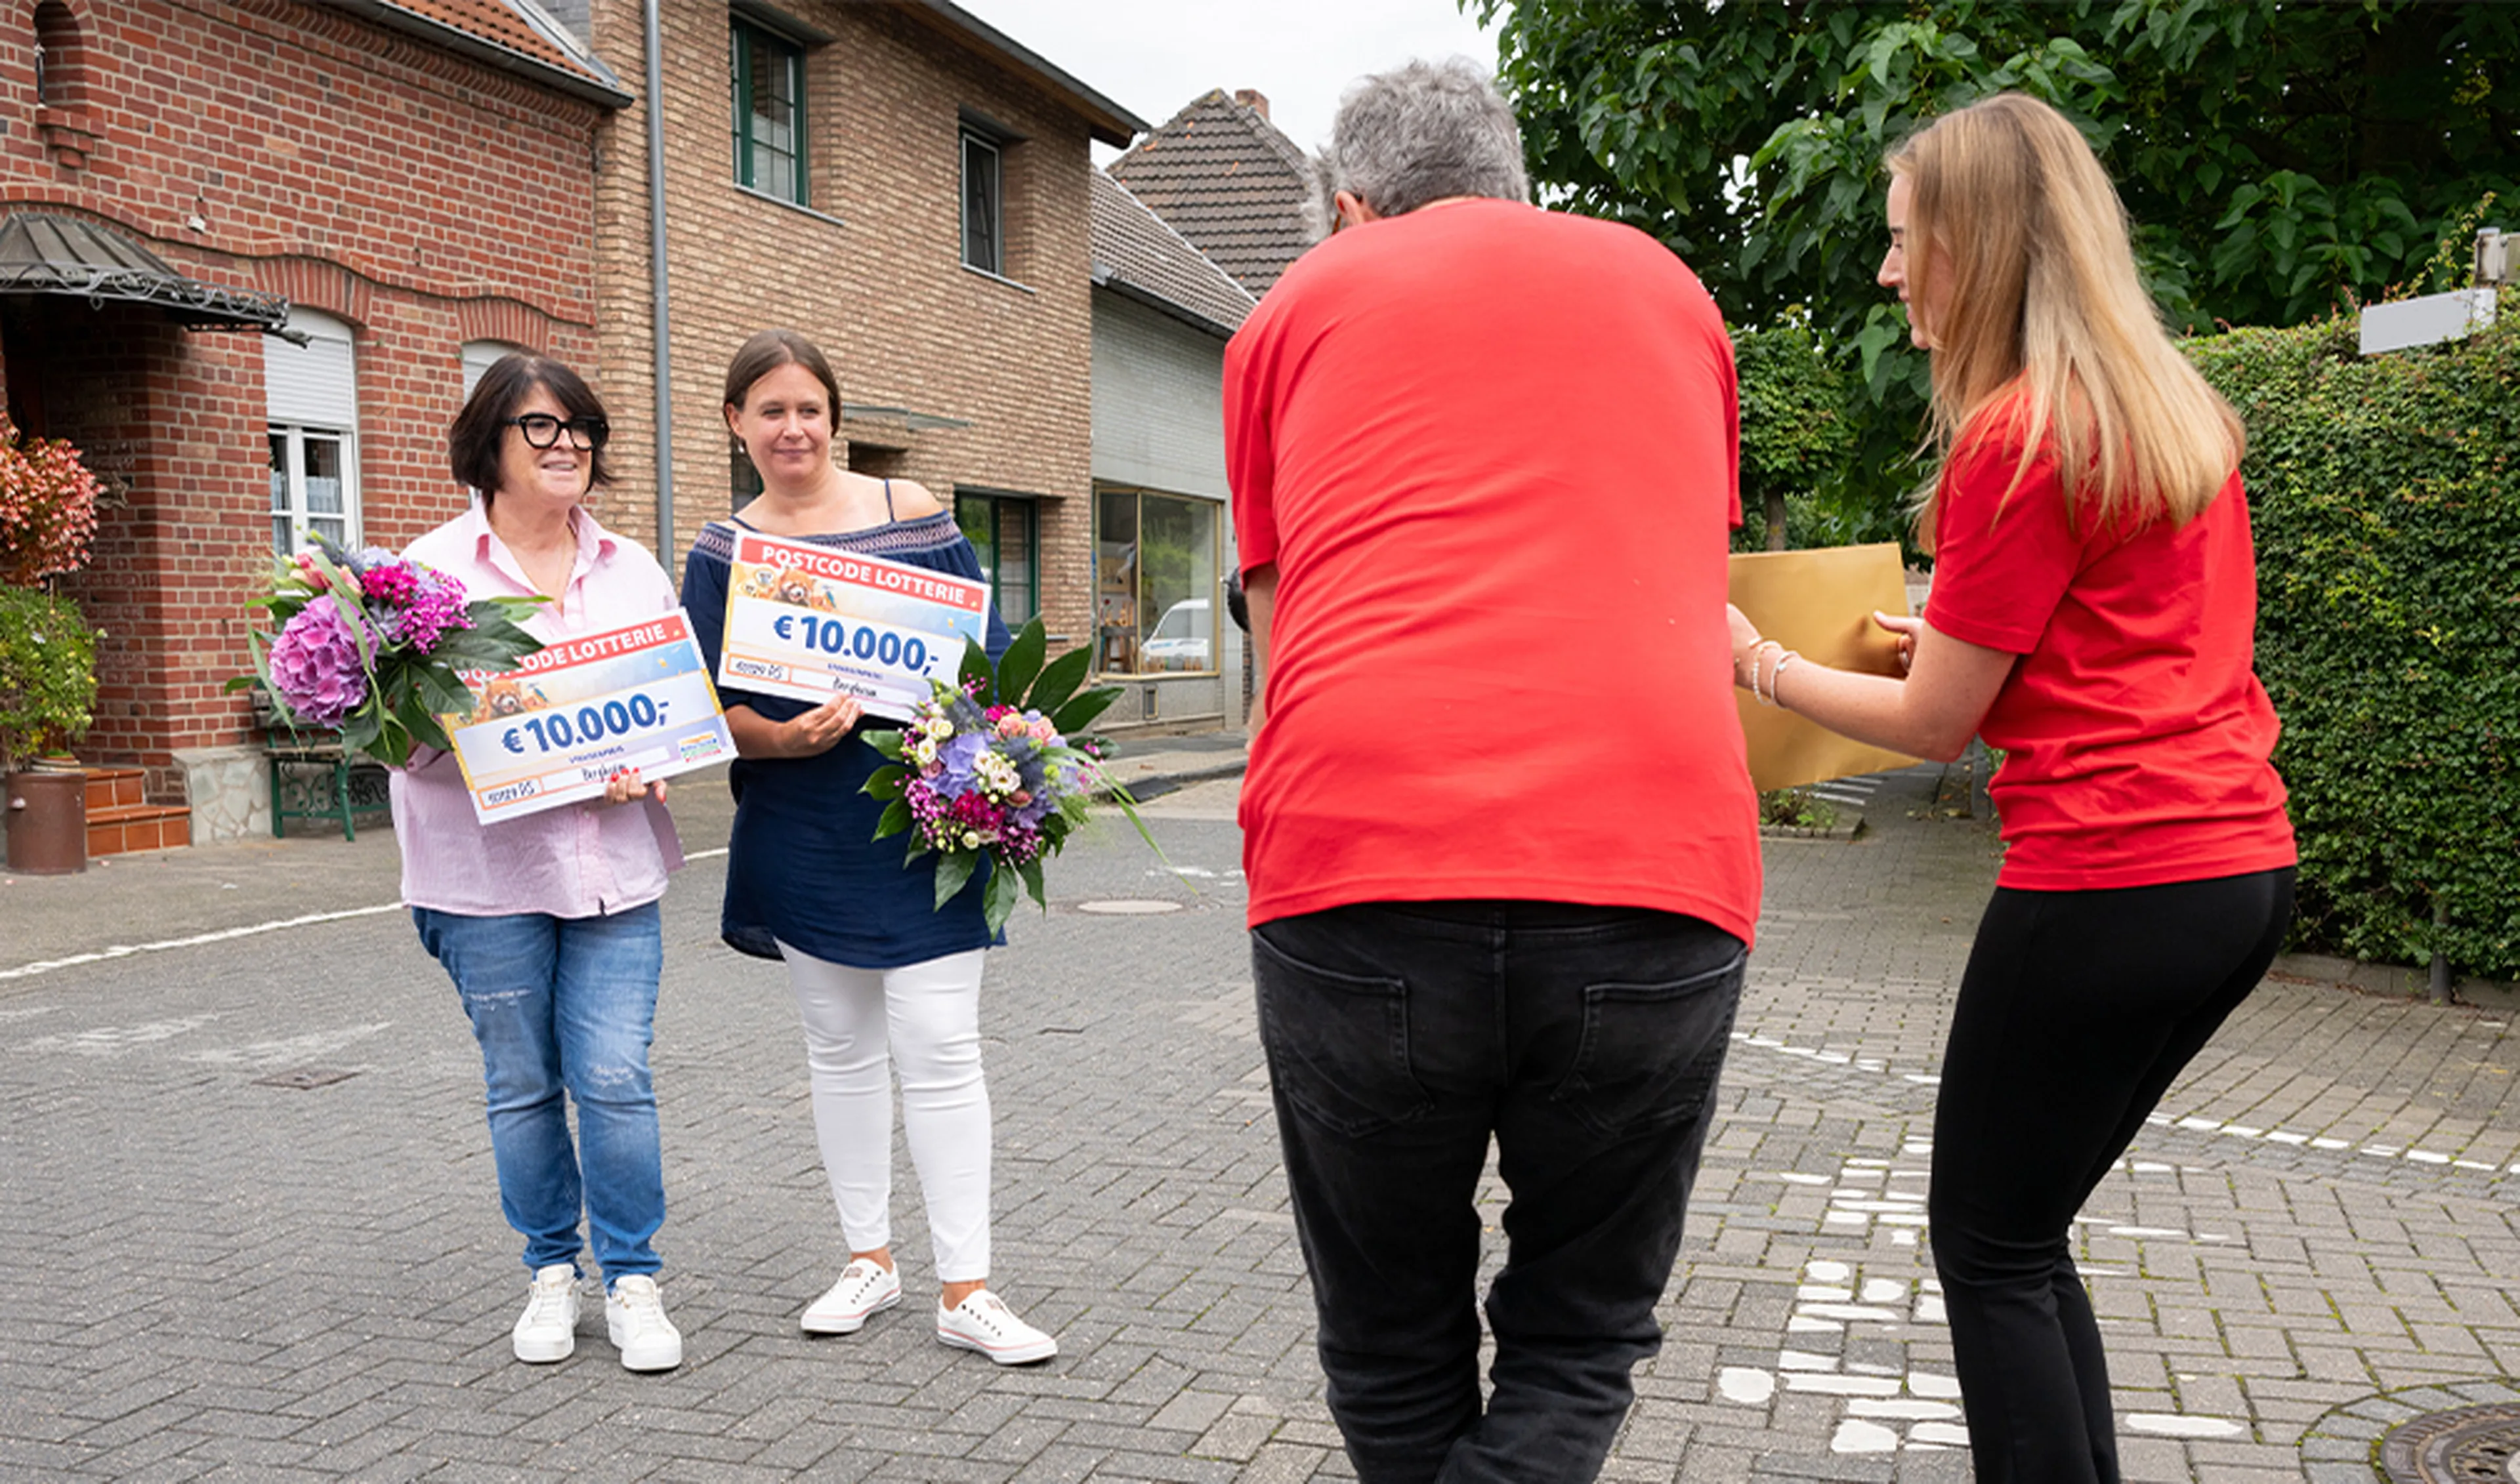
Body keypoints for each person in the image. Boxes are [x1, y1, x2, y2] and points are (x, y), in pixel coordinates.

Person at [1725, 93, 2296, 1482]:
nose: (1886, 267)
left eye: (1904, 236)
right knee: (2026, 1241)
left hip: (2108, 881)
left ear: (1977, 246)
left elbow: (1931, 731)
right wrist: (1976, 654)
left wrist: (1757, 661)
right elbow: (2128, 639)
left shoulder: (2012, 436)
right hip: (2237, 873)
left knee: (1985, 1248)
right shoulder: (2173, 413)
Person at [1223, 60, 1760, 1483]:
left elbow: (1284, 643)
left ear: (1353, 209)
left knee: (1391, 1333)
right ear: (1516, 180)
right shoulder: (1672, 293)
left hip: (1363, 853)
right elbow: (1686, 565)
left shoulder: (1289, 314)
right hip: (1652, 860)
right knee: (1583, 1332)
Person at [681, 329, 1051, 1365]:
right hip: (802, 826)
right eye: (770, 409)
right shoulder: (722, 550)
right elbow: (704, 709)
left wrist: (996, 764)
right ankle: (869, 1261)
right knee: (840, 1053)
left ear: (835, 417)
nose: (791, 426)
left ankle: (967, 1287)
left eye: (808, 407)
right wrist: (779, 736)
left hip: (928, 823)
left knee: (941, 1047)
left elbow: (983, 661)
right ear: (736, 424)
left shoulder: (913, 510)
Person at [398, 354, 686, 1372]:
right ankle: (551, 1273)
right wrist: (495, 741)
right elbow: (398, 742)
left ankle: (635, 1275)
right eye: (542, 428)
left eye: (581, 430)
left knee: (614, 1076)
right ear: (490, 443)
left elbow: (668, 709)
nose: (569, 447)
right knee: (522, 1083)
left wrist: (649, 764)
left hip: (612, 866)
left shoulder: (635, 568)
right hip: (483, 881)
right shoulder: (426, 576)